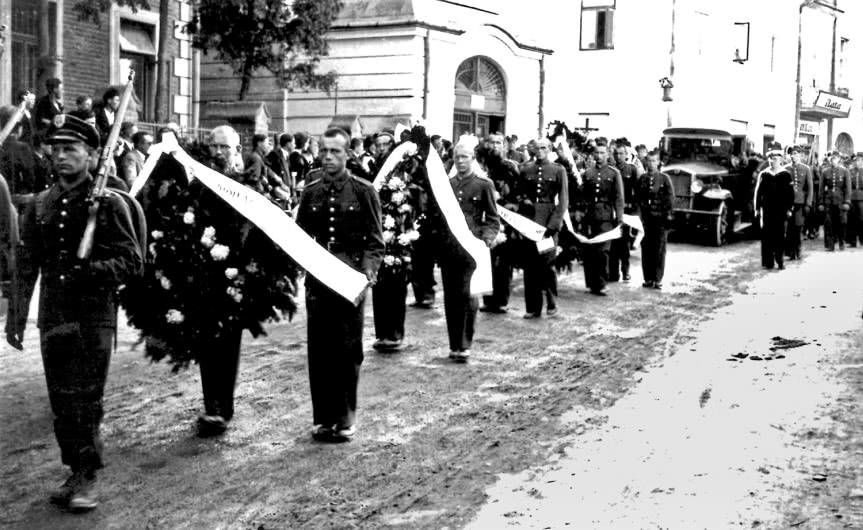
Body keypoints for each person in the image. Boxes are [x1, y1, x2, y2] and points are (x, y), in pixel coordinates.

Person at [21, 114, 142, 510]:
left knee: (86, 397)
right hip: (55, 313)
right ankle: (74, 469)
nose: (60, 157)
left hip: (93, 314)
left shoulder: (108, 202)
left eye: (70, 149)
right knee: (61, 398)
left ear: (91, 155)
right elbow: (26, 264)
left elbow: (131, 261)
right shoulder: (41, 203)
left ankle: (87, 477)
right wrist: (16, 317)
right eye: (55, 150)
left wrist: (90, 271)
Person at [296, 128, 384, 443]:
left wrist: (367, 273)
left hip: (350, 282)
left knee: (347, 351)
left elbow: (376, 242)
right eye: (324, 151)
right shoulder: (311, 191)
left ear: (348, 154)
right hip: (319, 282)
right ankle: (323, 419)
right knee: (320, 350)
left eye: (335, 152)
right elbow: (301, 237)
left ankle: (344, 418)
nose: (329, 157)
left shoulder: (364, 191)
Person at [437, 136, 499, 361]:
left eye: (465, 157)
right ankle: (454, 344)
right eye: (457, 157)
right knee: (451, 298)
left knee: (468, 296)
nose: (461, 161)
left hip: (471, 249)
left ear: (473, 159)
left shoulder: (484, 185)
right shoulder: (447, 185)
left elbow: (493, 219)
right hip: (449, 249)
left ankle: (464, 344)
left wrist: (486, 238)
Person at [0, 105, 50, 349]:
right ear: (18, 128)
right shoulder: (23, 150)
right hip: (20, 209)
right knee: (19, 257)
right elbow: (36, 180)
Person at [513, 137, 568, 318]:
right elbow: (518, 193)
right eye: (537, 148)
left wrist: (554, 225)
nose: (540, 151)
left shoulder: (558, 170)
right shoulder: (525, 169)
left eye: (544, 147)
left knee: (547, 264)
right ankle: (532, 308)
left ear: (550, 149)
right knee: (530, 266)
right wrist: (523, 204)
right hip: (529, 223)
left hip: (548, 225)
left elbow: (563, 201)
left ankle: (551, 301)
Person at [576, 139, 624, 296]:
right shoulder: (587, 173)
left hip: (606, 217)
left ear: (608, 154)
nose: (599, 155)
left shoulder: (613, 173)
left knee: (603, 252)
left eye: (602, 153)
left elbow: (618, 198)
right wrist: (579, 211)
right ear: (593, 154)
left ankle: (602, 283)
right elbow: (581, 195)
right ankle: (591, 283)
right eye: (596, 152)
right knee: (589, 251)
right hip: (589, 216)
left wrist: (620, 218)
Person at [479, 133, 519, 314]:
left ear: (504, 146)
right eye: (492, 142)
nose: (495, 146)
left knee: (502, 262)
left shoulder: (511, 168)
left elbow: (518, 193)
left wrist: (510, 205)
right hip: (483, 220)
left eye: (499, 143)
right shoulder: (481, 167)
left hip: (504, 221)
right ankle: (488, 300)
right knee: (485, 260)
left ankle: (501, 300)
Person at [636, 150, 675, 289]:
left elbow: (670, 199)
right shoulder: (642, 179)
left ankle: (657, 279)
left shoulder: (664, 179)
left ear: (658, 162)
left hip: (660, 220)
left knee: (659, 250)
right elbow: (639, 199)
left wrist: (667, 217)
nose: (651, 164)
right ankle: (648, 278)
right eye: (649, 161)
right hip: (646, 220)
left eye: (654, 161)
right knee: (646, 249)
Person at [754, 143, 794, 269]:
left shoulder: (786, 175)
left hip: (780, 210)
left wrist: (789, 209)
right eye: (771, 158)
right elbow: (758, 193)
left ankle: (779, 259)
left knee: (779, 235)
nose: (773, 161)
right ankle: (768, 261)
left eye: (776, 158)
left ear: (781, 159)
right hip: (767, 210)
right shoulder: (764, 174)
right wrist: (757, 209)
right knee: (767, 235)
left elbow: (790, 194)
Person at [609, 144, 639, 282]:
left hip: (626, 211)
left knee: (624, 244)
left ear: (626, 155)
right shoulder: (610, 170)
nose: (618, 156)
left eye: (621, 153)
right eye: (616, 153)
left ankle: (626, 271)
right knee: (613, 243)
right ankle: (613, 273)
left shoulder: (631, 170)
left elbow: (638, 192)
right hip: (612, 211)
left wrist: (635, 211)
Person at [785, 146, 814, 260]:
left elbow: (810, 188)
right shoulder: (785, 169)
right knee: (789, 228)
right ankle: (791, 252)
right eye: (791, 154)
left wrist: (808, 203)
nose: (793, 156)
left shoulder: (806, 169)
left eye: (796, 154)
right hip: (788, 203)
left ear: (800, 155)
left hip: (800, 203)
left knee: (798, 227)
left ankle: (798, 250)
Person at [818, 151, 851, 251]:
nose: (834, 160)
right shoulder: (825, 171)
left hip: (840, 201)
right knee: (829, 223)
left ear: (839, 159)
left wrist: (847, 201)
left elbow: (848, 188)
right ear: (830, 160)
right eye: (832, 159)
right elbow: (821, 189)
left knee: (842, 223)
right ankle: (830, 245)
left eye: (836, 158)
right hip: (829, 201)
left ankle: (841, 242)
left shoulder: (845, 171)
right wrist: (821, 202)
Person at [265, 132, 295, 202]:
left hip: (286, 191)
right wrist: (277, 179)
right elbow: (266, 167)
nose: (294, 145)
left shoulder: (288, 157)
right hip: (278, 192)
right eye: (293, 143)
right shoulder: (274, 154)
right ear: (288, 144)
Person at [847, 152, 863, 247]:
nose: (858, 162)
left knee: (862, 219)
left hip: (862, 198)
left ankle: (862, 239)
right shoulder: (851, 171)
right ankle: (852, 241)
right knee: (852, 220)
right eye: (857, 160)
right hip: (852, 197)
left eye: (860, 160)